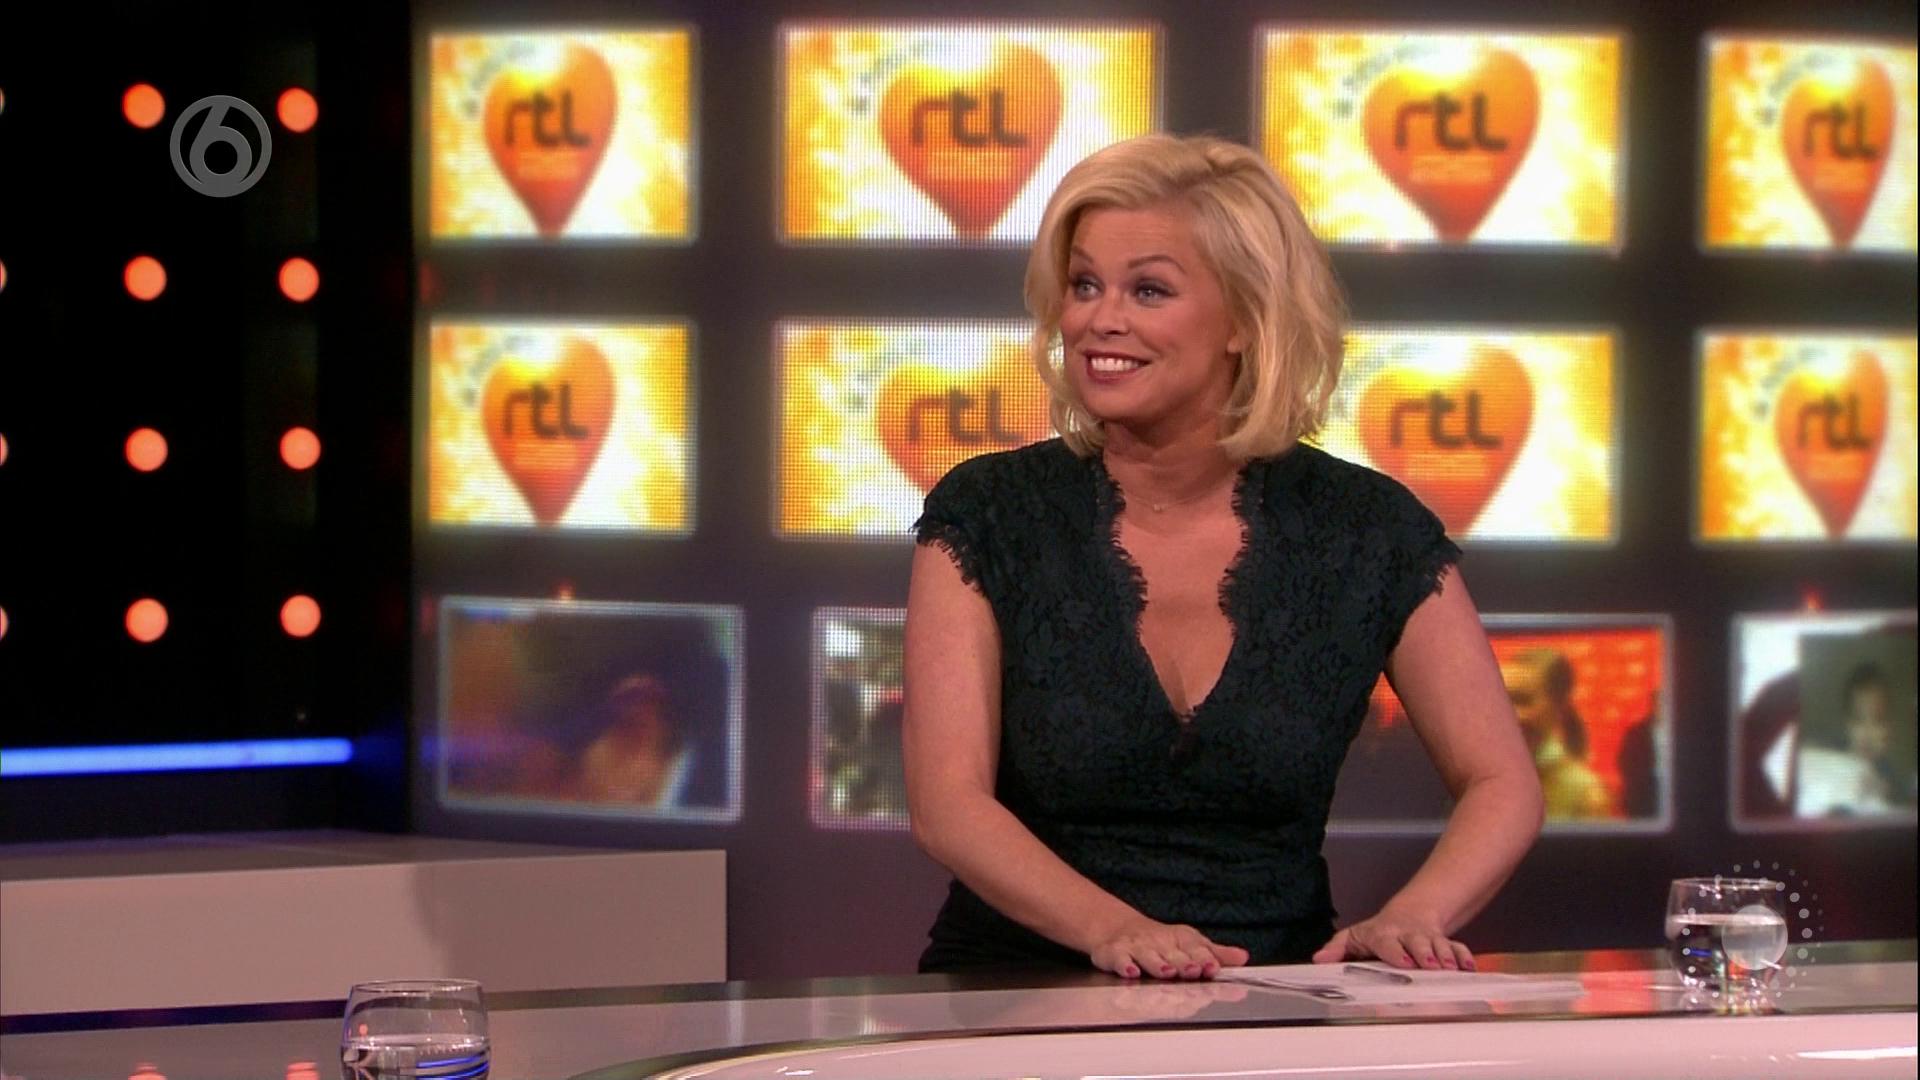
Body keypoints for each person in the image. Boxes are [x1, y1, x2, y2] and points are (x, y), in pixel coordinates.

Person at [902, 133, 1544, 981]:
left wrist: (1414, 917)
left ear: (1245, 319)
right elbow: (948, 804)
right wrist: (1117, 932)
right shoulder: (992, 512)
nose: (1099, 319)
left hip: (1268, 1002)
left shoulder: (1364, 529)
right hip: (1017, 994)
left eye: (1148, 290)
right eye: (1085, 284)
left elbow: (1502, 782)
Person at [1500, 649, 1618, 821]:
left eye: (1522, 700)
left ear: (1559, 710)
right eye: (1500, 699)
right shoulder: (1478, 780)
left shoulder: (1586, 794)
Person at [1792, 662, 1912, 817]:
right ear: (1847, 724)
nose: (1868, 732)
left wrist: (1885, 792)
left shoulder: (1890, 777)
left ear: (1889, 728)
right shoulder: (1834, 754)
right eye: (1858, 720)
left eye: (1878, 721)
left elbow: (1899, 810)